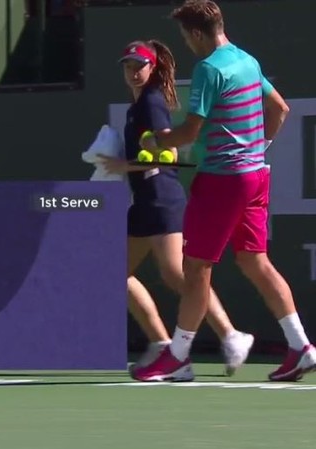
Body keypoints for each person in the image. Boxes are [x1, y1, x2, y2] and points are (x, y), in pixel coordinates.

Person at [133, 0, 316, 382]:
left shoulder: (209, 69)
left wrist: (155, 140)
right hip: (255, 176)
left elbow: (189, 132)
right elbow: (280, 109)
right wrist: (256, 149)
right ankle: (300, 346)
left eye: (186, 37)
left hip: (223, 180)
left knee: (196, 268)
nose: (187, 44)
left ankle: (178, 357)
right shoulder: (247, 61)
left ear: (196, 33)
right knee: (254, 261)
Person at [97, 39, 253, 376]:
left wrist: (124, 165)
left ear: (152, 68)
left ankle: (230, 335)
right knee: (113, 272)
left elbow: (166, 151)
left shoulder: (152, 102)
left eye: (140, 66)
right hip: (143, 202)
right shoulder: (136, 107)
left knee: (177, 274)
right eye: (128, 66)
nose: (133, 72)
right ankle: (162, 345)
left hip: (162, 199)